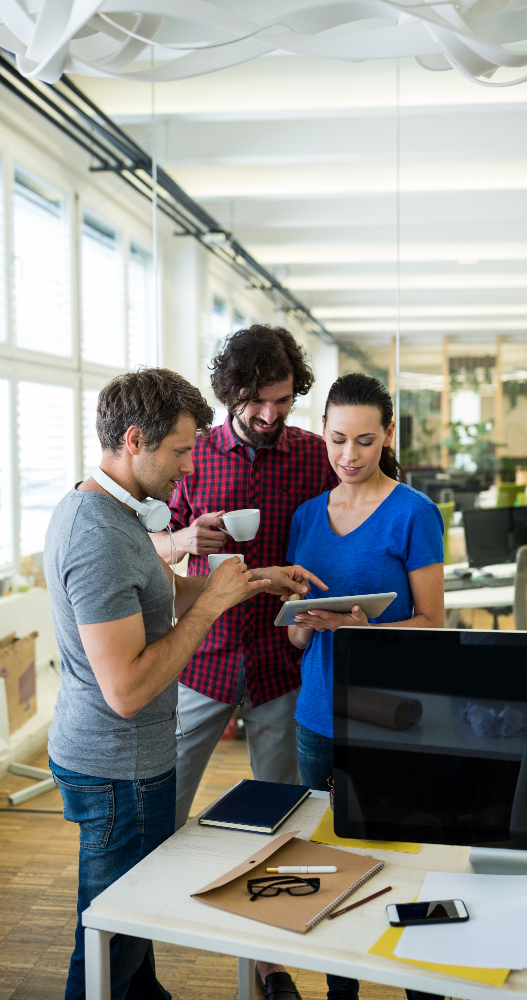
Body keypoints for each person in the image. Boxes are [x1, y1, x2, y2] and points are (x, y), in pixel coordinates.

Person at [44, 368, 319, 1000]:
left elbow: (168, 593)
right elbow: (127, 689)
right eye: (180, 451)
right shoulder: (99, 536)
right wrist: (211, 608)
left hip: (121, 760)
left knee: (129, 936)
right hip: (118, 769)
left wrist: (255, 580)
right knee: (108, 947)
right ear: (134, 441)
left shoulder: (111, 513)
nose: (190, 467)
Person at [286, 371, 445, 1000]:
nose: (348, 455)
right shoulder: (305, 516)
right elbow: (297, 639)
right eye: (336, 440)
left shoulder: (414, 512)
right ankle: (340, 991)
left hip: (392, 719)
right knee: (328, 867)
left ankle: (421, 985)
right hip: (319, 716)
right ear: (322, 434)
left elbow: (432, 624)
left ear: (388, 436)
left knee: (406, 862)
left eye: (364, 440)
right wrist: (305, 624)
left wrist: (365, 630)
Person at [151, 325, 338, 832]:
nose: (269, 415)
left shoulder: (315, 456)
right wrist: (182, 539)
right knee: (164, 803)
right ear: (229, 393)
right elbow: (145, 543)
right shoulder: (190, 454)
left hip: (282, 660)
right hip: (202, 655)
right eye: (255, 401)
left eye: (282, 401)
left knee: (283, 810)